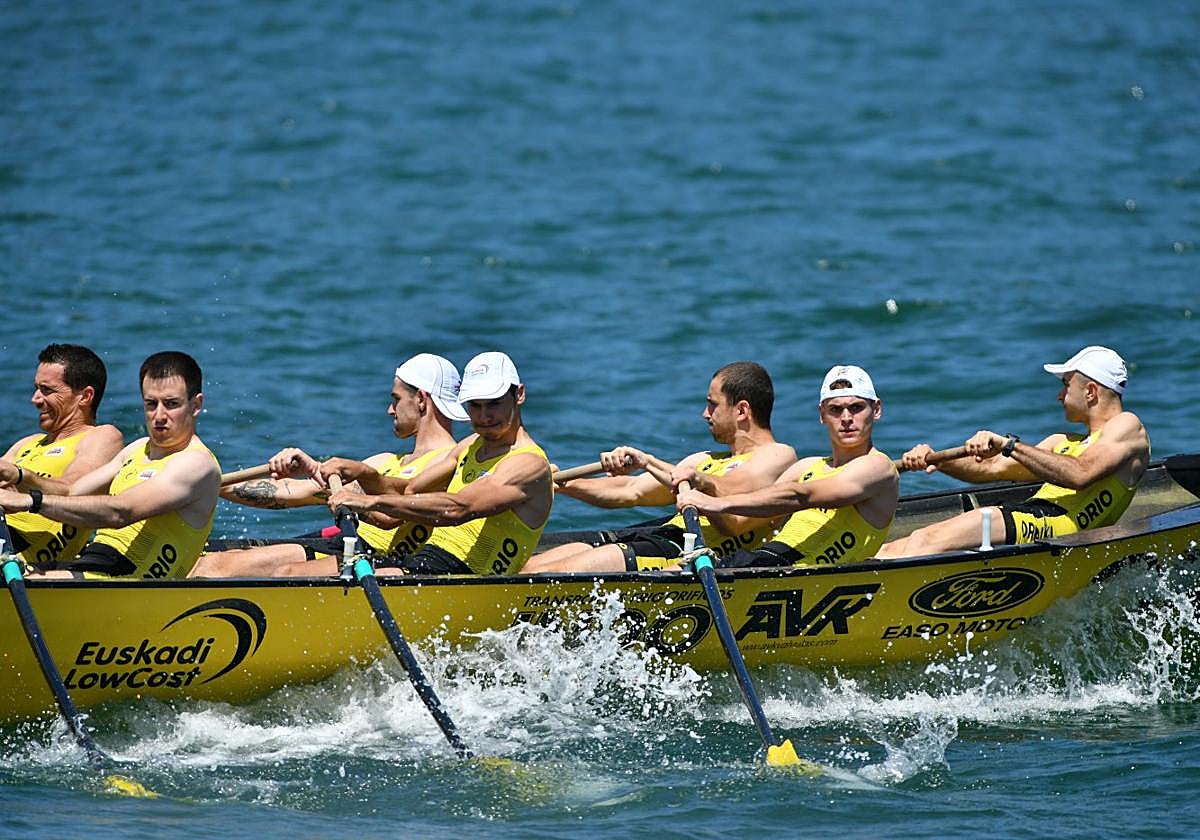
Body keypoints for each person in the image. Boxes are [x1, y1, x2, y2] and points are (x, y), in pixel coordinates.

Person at [189, 354, 465, 577]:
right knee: (210, 563)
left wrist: (359, 481)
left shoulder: (450, 461)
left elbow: (389, 518)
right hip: (343, 546)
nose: (389, 410)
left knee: (227, 571)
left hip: (375, 561)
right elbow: (291, 493)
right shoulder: (386, 461)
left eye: (395, 399)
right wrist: (204, 486)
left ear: (420, 399)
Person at [282, 350, 553, 576]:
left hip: (470, 575)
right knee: (287, 572)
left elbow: (460, 508)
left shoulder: (528, 464)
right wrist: (363, 473)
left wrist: (369, 502)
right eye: (475, 406)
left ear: (519, 395)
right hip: (427, 562)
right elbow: (410, 491)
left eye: (492, 404)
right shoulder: (470, 445)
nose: (483, 416)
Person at [876, 345, 1150, 559]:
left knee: (924, 541)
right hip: (1030, 517)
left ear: (1090, 392)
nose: (1059, 396)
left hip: (1061, 527)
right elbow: (992, 469)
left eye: (1065, 384)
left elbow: (1081, 473)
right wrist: (937, 460)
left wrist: (1009, 445)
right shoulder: (1061, 442)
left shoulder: (1127, 426)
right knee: (891, 550)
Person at [523, 361, 797, 574]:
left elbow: (733, 492)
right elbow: (630, 490)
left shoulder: (778, 455)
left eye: (712, 405)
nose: (705, 414)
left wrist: (648, 461)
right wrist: (561, 484)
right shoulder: (704, 459)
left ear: (741, 411)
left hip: (687, 552)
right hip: (658, 537)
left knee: (550, 573)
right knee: (530, 568)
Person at [0, 351, 220, 579]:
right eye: (151, 404)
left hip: (132, 584)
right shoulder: (136, 449)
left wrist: (29, 501)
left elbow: (121, 512)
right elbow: (70, 492)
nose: (159, 415)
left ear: (196, 405)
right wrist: (18, 477)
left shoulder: (196, 463)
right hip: (93, 565)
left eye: (171, 404)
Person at [675, 364, 899, 567]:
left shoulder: (878, 468)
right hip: (763, 563)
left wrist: (719, 504)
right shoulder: (806, 468)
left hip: (799, 577)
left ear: (876, 410)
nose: (847, 418)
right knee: (673, 571)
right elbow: (735, 525)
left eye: (857, 407)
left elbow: (801, 495)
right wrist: (708, 489)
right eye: (836, 409)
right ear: (822, 414)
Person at [0, 344, 124, 569]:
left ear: (85, 396)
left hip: (21, 555)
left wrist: (19, 476)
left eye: (47, 390)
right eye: (37, 388)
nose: (35, 399)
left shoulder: (102, 436)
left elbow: (72, 490)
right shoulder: (26, 443)